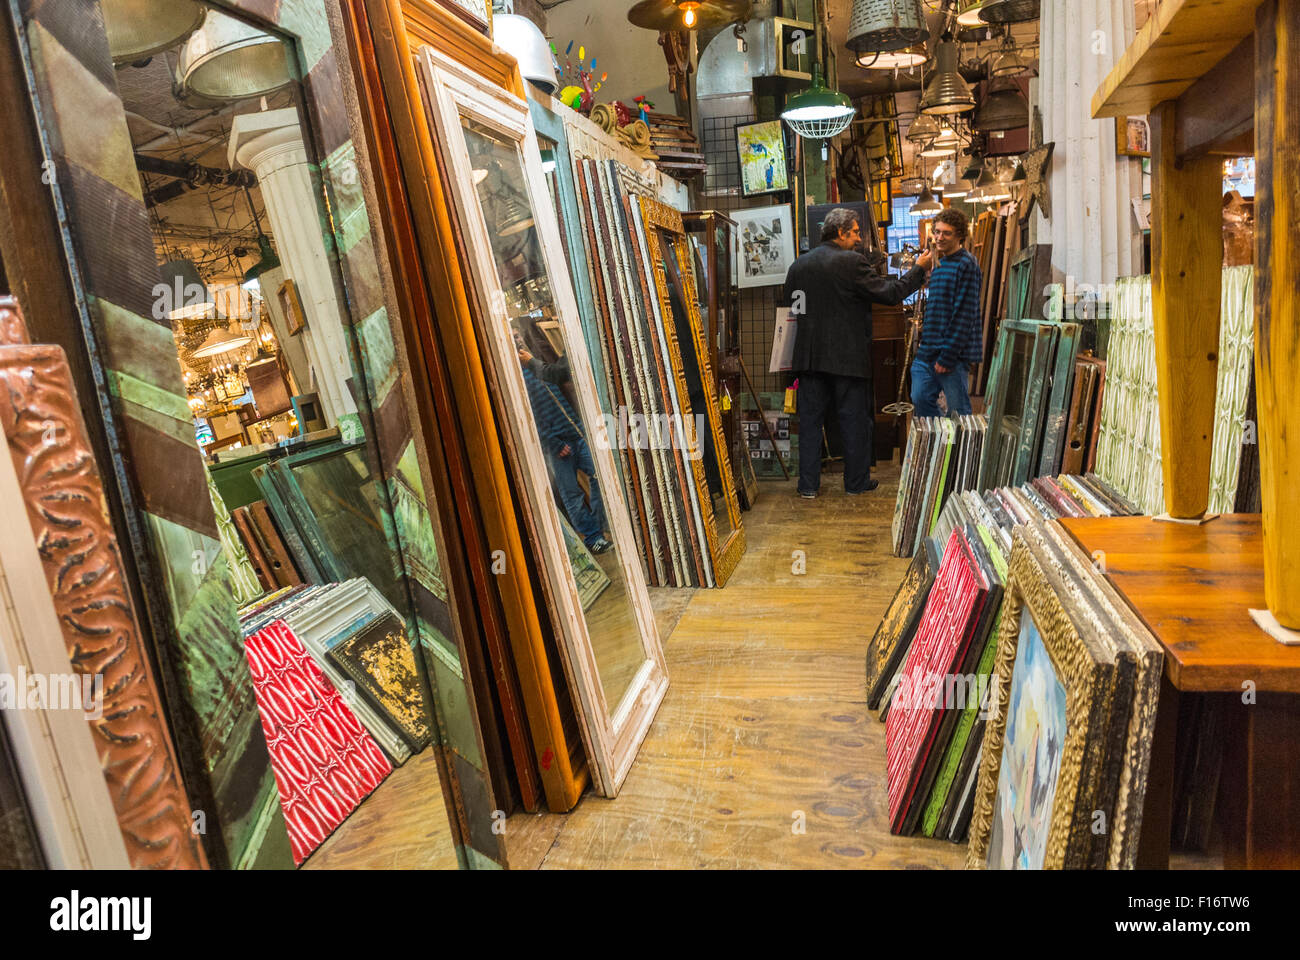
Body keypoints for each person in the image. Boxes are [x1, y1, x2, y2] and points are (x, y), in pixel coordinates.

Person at [784, 207, 932, 499]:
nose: (859, 238)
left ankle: (808, 486)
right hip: (847, 358)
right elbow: (890, 294)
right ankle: (855, 483)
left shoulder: (798, 266)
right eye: (855, 232)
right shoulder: (852, 263)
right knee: (853, 421)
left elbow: (792, 308)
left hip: (809, 359)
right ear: (840, 233)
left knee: (811, 423)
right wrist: (919, 269)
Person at [518, 343, 613, 554]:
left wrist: (579, 428)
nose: (520, 342)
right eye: (514, 339)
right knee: (572, 494)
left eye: (519, 337)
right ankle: (593, 537)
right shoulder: (517, 379)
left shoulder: (539, 366)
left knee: (599, 475)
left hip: (576, 434)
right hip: (558, 445)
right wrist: (554, 443)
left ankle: (600, 526)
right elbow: (529, 417)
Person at [912, 208, 982, 418]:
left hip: (951, 354)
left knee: (959, 412)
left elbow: (964, 315)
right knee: (920, 398)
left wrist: (948, 357)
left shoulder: (966, 264)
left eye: (947, 233)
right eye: (937, 232)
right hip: (928, 350)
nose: (939, 237)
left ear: (959, 235)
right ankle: (941, 444)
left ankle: (961, 448)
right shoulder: (939, 264)